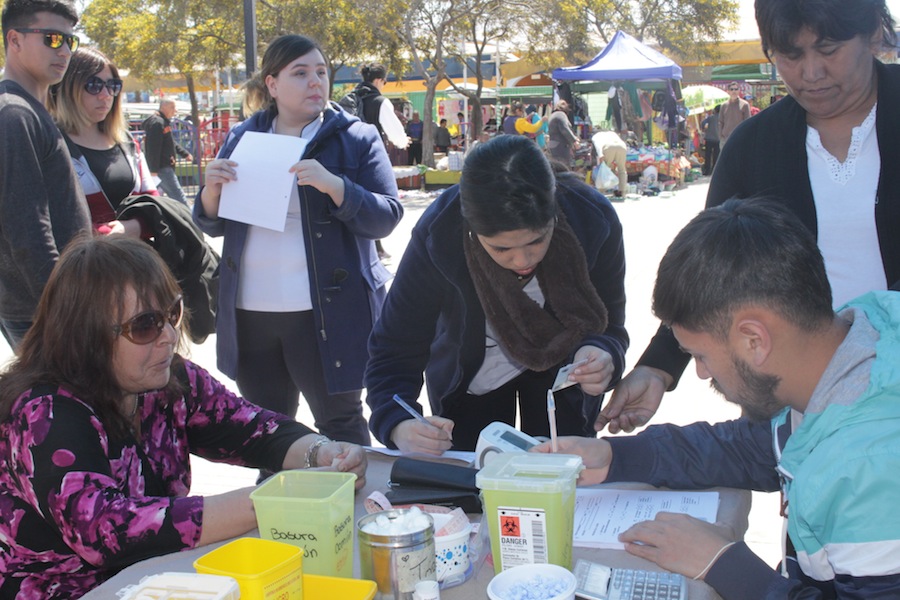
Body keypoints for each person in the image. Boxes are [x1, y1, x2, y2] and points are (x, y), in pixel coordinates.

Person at [540, 198, 900, 598]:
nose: (702, 373)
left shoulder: (872, 467)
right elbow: (752, 448)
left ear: (753, 339)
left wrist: (724, 563)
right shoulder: (849, 356)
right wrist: (615, 458)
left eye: (701, 355)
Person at [0, 235, 368, 598]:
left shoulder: (167, 378)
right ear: (87, 336)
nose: (170, 335)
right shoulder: (45, 413)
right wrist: (273, 502)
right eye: (145, 325)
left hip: (152, 581)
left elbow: (254, 429)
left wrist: (320, 452)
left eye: (171, 313)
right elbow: (106, 530)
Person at [599, 0, 900, 436]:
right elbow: (709, 270)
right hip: (798, 408)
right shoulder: (753, 146)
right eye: (791, 56)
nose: (811, 73)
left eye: (829, 49)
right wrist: (658, 368)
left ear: (872, 31)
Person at [194, 35, 402, 449]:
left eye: (321, 72)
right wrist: (211, 193)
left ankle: (353, 508)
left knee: (341, 425)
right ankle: (271, 512)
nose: (315, 82)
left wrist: (336, 186)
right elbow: (213, 224)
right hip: (251, 311)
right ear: (271, 84)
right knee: (265, 431)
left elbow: (386, 217)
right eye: (301, 73)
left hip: (326, 313)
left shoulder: (356, 137)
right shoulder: (243, 137)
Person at [365, 135, 628, 453]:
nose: (522, 261)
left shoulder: (593, 220)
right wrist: (396, 422)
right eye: (501, 248)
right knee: (475, 478)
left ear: (554, 215)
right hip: (469, 384)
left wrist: (604, 355)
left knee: (563, 475)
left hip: (565, 381)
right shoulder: (440, 233)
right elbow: (395, 346)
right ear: (471, 230)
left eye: (536, 240)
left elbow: (610, 325)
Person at [0, 0, 91, 350]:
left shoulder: (29, 110)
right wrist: (65, 308)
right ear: (15, 40)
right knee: (66, 405)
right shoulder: (14, 114)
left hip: (51, 304)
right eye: (52, 39)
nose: (65, 50)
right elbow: (27, 229)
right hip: (45, 311)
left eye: (71, 40)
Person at [49, 46, 156, 237]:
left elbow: (154, 204)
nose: (106, 95)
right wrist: (104, 234)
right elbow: (48, 218)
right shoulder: (50, 143)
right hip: (79, 262)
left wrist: (135, 227)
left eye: (113, 86)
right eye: (94, 85)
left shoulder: (127, 143)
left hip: (137, 260)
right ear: (69, 87)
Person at [142, 98, 193, 205]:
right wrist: (153, 169)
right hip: (162, 167)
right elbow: (153, 148)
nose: (176, 110)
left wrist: (184, 153)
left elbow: (170, 142)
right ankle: (189, 219)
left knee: (161, 198)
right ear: (164, 107)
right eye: (173, 107)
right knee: (178, 197)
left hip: (163, 166)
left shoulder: (162, 122)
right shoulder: (157, 123)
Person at [591, 128, 628, 198]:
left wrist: (600, 155)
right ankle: (623, 192)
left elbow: (597, 144)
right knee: (622, 170)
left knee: (604, 170)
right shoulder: (612, 133)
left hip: (608, 147)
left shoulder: (595, 136)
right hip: (622, 146)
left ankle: (601, 192)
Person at [717, 81, 751, 147]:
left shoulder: (745, 105)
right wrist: (720, 136)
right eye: (731, 89)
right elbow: (720, 122)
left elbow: (748, 122)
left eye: (736, 89)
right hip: (725, 139)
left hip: (739, 138)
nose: (734, 91)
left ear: (739, 91)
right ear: (728, 91)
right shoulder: (724, 105)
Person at [547, 100, 580, 165]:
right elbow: (564, 129)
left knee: (556, 167)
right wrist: (574, 141)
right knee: (564, 167)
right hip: (561, 147)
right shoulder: (561, 115)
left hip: (553, 146)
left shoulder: (552, 115)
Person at [700, 105, 720, 176]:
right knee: (716, 156)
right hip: (718, 139)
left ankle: (707, 171)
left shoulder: (711, 117)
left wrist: (705, 127)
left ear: (715, 110)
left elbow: (703, 124)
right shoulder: (723, 118)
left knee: (708, 155)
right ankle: (715, 171)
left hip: (709, 139)